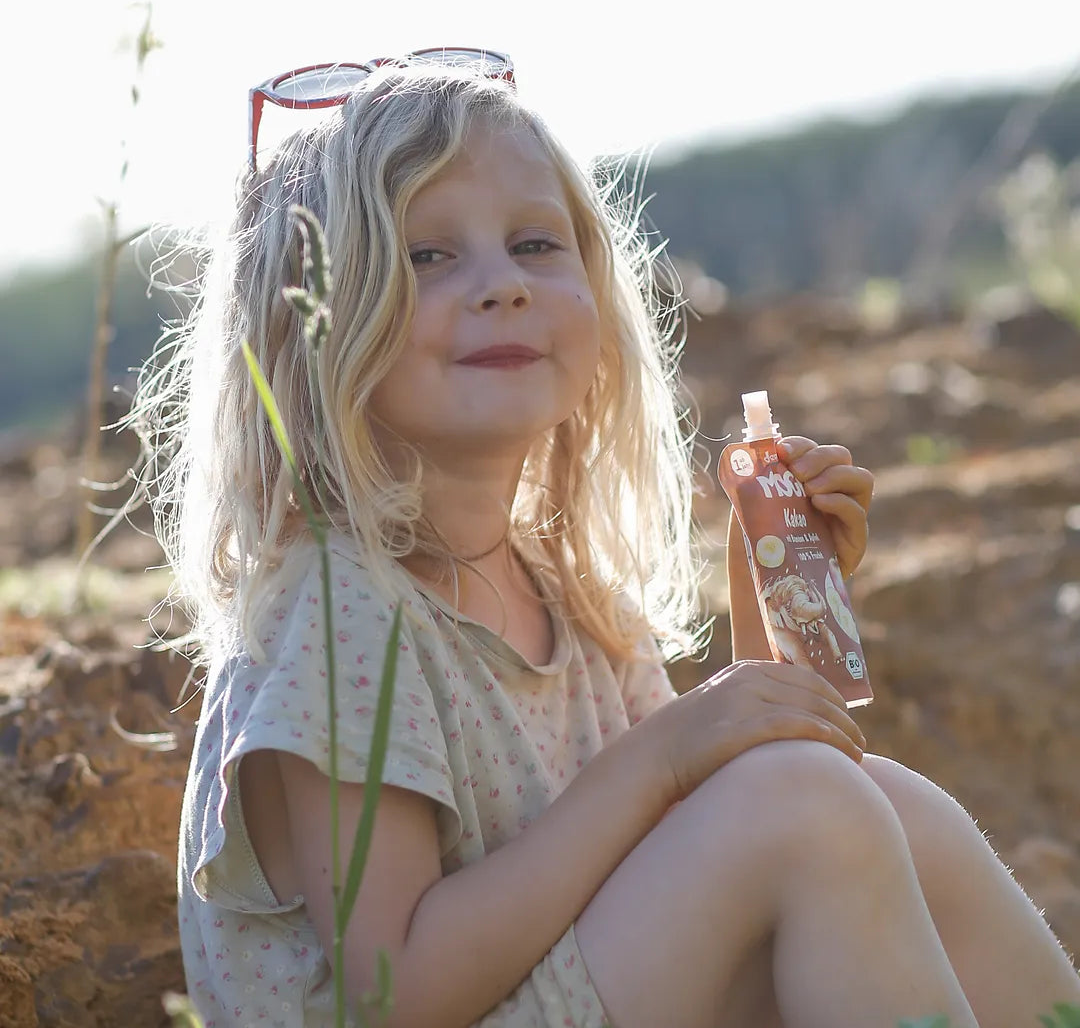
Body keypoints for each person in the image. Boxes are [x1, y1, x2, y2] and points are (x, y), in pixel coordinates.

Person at [125, 50, 1080, 1028]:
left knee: (878, 800)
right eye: (426, 255)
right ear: (305, 329)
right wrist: (662, 756)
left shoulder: (566, 597)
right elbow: (393, 989)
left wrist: (773, 590)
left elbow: (706, 833)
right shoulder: (334, 615)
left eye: (537, 245)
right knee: (811, 802)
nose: (501, 284)